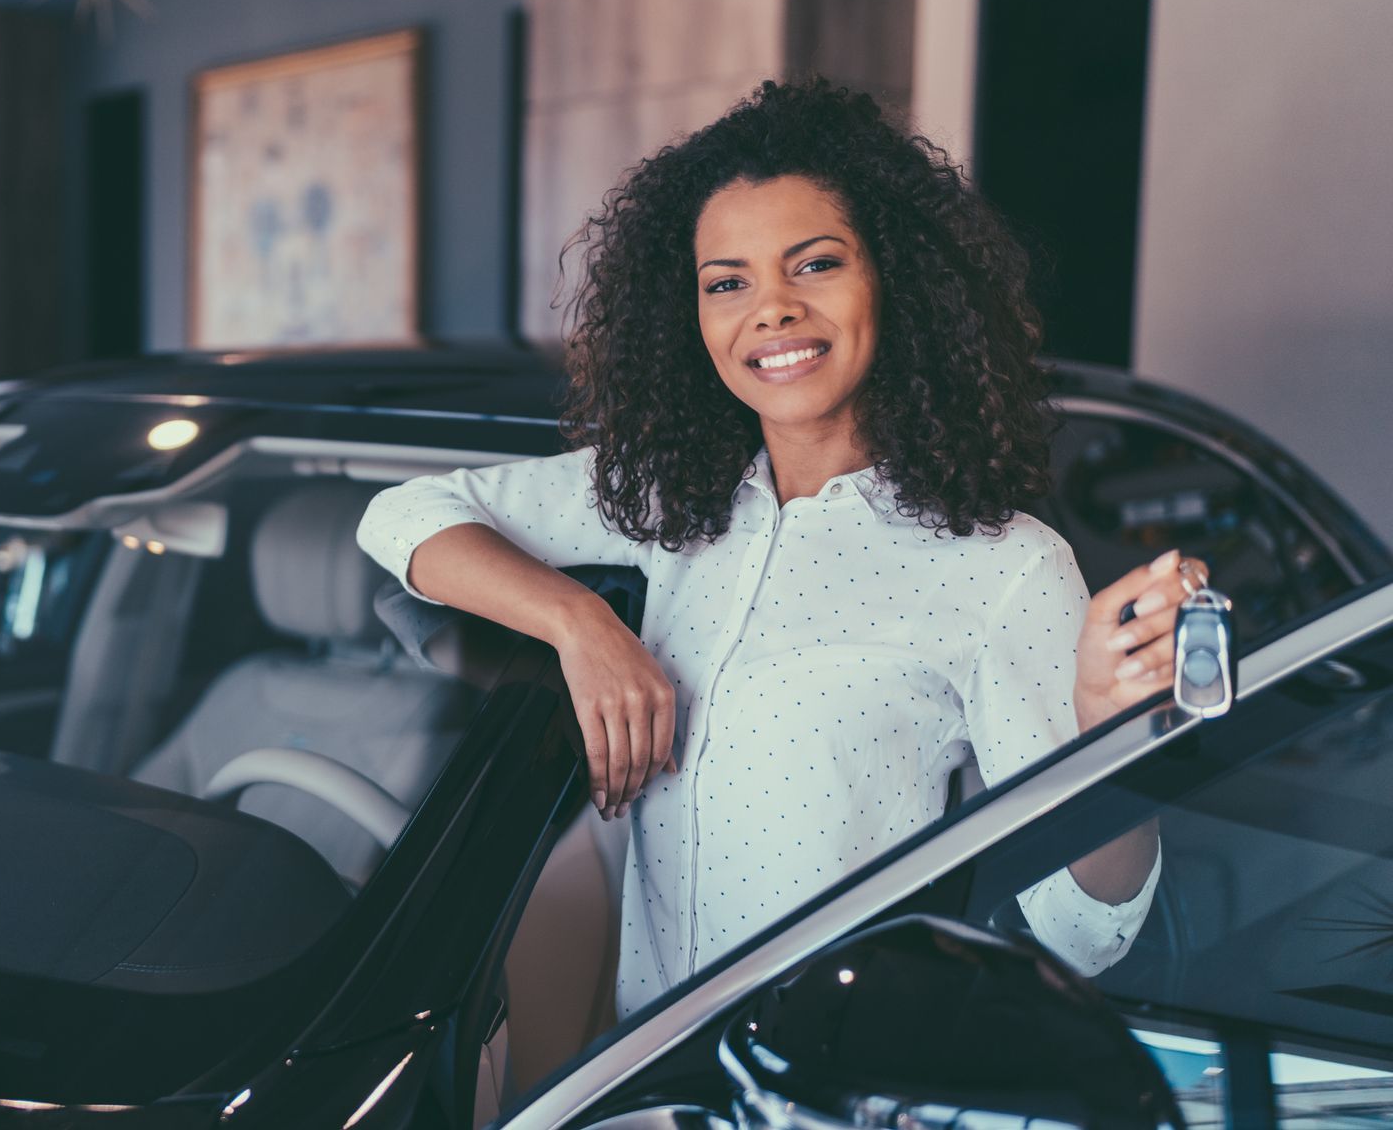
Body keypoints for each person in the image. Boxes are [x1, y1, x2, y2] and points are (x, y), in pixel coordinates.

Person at [355, 78, 1197, 1017]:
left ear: (897, 280)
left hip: (825, 1086)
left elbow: (1086, 935)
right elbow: (401, 518)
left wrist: (1114, 742)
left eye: (815, 264)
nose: (772, 309)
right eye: (728, 282)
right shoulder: (665, 497)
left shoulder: (1004, 569)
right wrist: (578, 622)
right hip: (643, 1088)